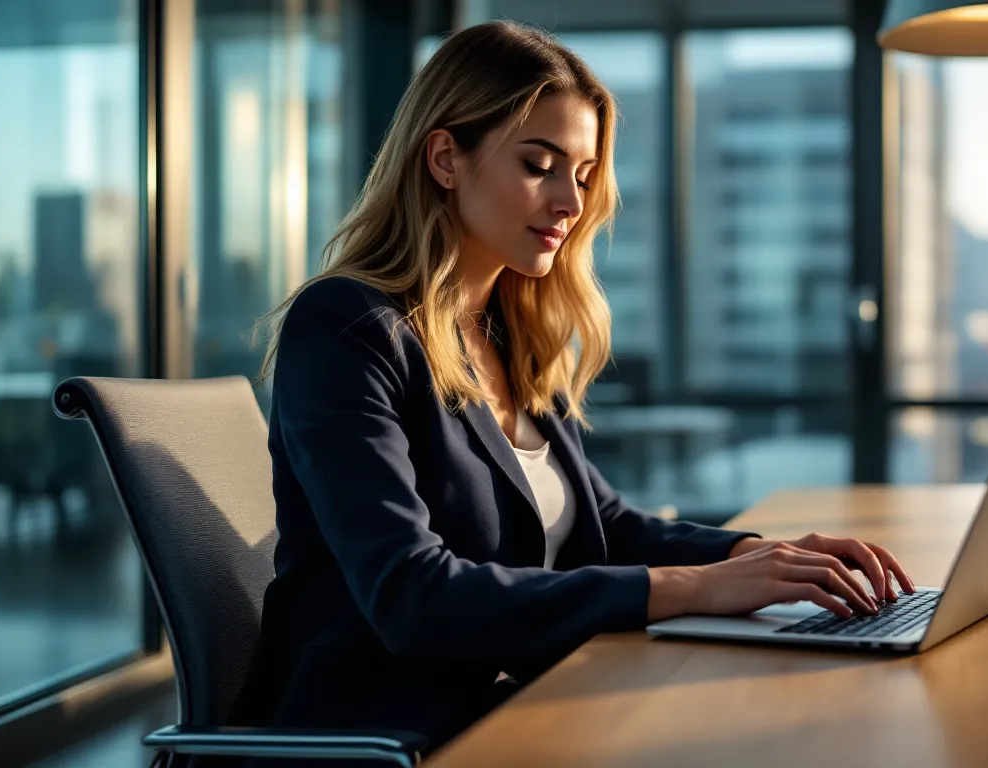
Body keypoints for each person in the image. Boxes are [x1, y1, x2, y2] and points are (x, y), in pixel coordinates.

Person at [237, 19, 914, 755]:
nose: (571, 201)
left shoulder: (507, 330)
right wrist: (691, 589)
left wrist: (758, 557)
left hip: (523, 696)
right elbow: (411, 597)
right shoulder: (347, 327)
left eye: (584, 175)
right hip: (394, 734)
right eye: (540, 165)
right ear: (444, 158)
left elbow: (608, 523)